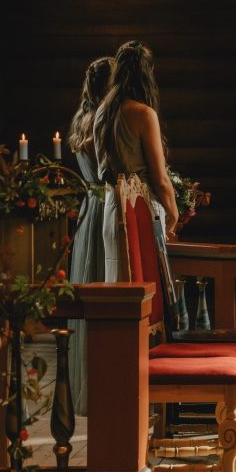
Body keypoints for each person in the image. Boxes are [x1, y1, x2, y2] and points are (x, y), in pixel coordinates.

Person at [93, 40, 179, 283]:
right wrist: (174, 213)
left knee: (117, 279)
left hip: (112, 204)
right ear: (146, 73)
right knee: (146, 283)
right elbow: (160, 179)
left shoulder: (102, 112)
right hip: (140, 205)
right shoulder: (143, 113)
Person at [65, 56, 112, 416]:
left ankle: (87, 385)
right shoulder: (103, 120)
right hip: (104, 209)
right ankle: (104, 387)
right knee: (105, 293)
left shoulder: (81, 120)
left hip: (88, 208)